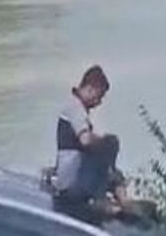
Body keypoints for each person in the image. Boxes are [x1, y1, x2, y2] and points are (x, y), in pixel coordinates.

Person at [52, 65, 131, 222]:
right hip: (71, 181)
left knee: (113, 172)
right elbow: (85, 140)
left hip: (73, 175)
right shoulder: (75, 108)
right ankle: (100, 200)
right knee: (110, 143)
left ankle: (126, 204)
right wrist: (104, 142)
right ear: (89, 89)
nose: (99, 102)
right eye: (98, 96)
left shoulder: (74, 107)